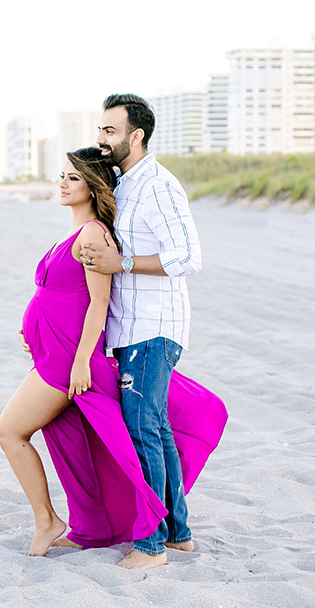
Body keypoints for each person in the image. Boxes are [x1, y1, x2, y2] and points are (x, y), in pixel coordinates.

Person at [0, 147, 172, 556]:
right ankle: (75, 520)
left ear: (92, 187)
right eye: (62, 175)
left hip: (68, 361)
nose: (62, 182)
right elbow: (56, 294)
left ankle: (47, 521)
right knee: (67, 444)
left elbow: (99, 302)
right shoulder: (71, 233)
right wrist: (33, 330)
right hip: (51, 351)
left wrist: (79, 364)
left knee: (9, 431)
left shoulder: (93, 233)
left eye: (72, 178)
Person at [80, 93, 203, 569]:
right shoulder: (125, 184)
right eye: (100, 130)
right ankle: (178, 534)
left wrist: (123, 262)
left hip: (154, 331)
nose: (101, 138)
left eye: (110, 131)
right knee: (156, 430)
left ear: (137, 136)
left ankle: (151, 545)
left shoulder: (158, 186)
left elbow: (188, 258)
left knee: (143, 431)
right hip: (130, 332)